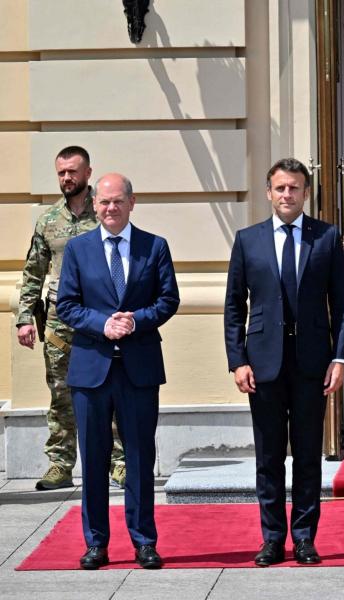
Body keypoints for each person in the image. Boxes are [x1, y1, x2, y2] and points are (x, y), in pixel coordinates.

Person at [224, 158, 344, 566]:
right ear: (268, 192)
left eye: (294, 188)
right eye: (280, 188)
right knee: (268, 456)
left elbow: (343, 305)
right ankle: (271, 538)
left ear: (306, 192)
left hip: (312, 363)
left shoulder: (327, 238)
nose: (287, 195)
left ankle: (305, 537)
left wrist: (341, 357)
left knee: (309, 454)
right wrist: (237, 360)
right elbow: (233, 306)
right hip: (263, 365)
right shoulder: (248, 240)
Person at [57, 173, 180, 570]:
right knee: (93, 460)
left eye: (118, 201)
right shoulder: (78, 249)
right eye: (104, 202)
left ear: (132, 202)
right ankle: (96, 543)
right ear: (95, 205)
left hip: (139, 368)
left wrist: (135, 320)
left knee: (141, 459)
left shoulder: (154, 247)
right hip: (91, 369)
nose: (110, 208)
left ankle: (144, 541)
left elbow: (168, 299)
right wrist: (103, 324)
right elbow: (67, 305)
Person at [16, 146, 125, 491]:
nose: (67, 178)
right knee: (61, 395)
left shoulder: (103, 214)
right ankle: (60, 465)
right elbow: (33, 272)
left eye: (73, 172)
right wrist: (23, 318)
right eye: (61, 172)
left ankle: (118, 463)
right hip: (60, 325)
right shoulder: (48, 221)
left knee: (110, 392)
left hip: (101, 321)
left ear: (88, 173)